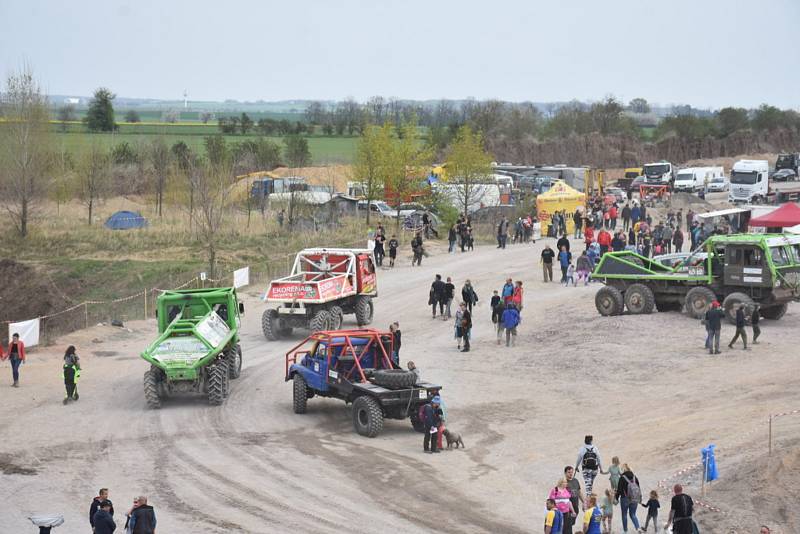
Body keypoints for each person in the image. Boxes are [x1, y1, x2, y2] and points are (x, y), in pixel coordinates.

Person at [615, 464, 642, 533]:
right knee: (633, 514)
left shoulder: (622, 478)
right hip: (634, 498)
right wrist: (640, 498)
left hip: (625, 498)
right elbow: (638, 488)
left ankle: (625, 531)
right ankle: (638, 528)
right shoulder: (635, 477)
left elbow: (619, 490)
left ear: (623, 470)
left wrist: (616, 498)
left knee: (624, 515)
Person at [564, 466, 582, 534]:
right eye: (569, 472)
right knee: (568, 526)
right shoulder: (564, 482)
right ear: (565, 473)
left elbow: (579, 492)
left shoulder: (575, 481)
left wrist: (584, 502)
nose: (571, 474)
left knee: (571, 524)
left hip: (575, 507)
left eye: (572, 472)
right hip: (567, 509)